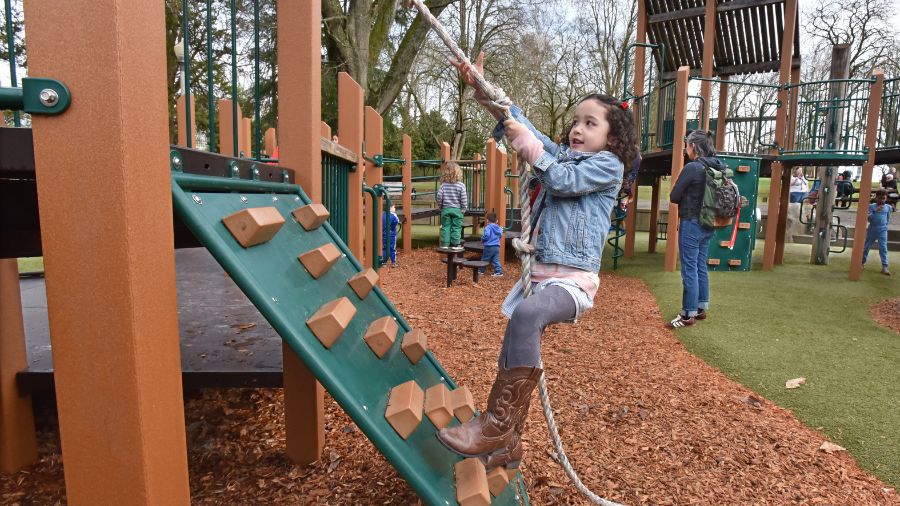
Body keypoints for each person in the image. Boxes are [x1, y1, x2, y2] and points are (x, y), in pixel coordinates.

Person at [437, 52, 638, 471]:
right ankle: (507, 444)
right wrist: (481, 86)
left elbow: (562, 181)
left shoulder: (607, 166)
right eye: (576, 121)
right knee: (515, 336)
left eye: (590, 122)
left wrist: (530, 148)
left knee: (527, 316)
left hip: (573, 280)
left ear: (613, 137)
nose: (577, 129)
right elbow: (521, 123)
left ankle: (493, 424)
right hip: (543, 274)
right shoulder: (564, 152)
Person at [665, 130, 728, 329]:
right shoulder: (719, 166)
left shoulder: (693, 167)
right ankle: (700, 308)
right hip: (709, 223)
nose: (686, 149)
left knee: (689, 269)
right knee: (701, 266)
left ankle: (687, 314)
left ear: (694, 147)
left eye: (687, 145)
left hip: (691, 222)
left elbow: (674, 196)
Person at [436, 162, 467, 252]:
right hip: (457, 210)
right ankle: (455, 244)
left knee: (445, 226)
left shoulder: (443, 185)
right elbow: (464, 198)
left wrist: (440, 206)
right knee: (456, 227)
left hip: (446, 209)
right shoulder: (461, 186)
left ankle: (445, 244)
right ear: (458, 173)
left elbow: (439, 196)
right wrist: (463, 209)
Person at [863, 189, 892, 276]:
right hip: (872, 228)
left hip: (882, 229)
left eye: (883, 198)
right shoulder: (871, 206)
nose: (881, 200)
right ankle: (862, 263)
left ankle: (885, 267)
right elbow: (868, 218)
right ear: (876, 198)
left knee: (883, 248)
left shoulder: (888, 207)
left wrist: (885, 226)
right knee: (867, 246)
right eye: (880, 198)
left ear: (886, 198)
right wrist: (875, 211)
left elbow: (888, 218)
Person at [479, 212, 503, 277]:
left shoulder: (488, 227)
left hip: (489, 246)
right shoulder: (498, 227)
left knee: (485, 258)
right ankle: (499, 272)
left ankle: (481, 271)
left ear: (487, 220)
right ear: (496, 221)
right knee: (496, 259)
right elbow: (500, 234)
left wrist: (482, 239)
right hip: (497, 246)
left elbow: (487, 235)